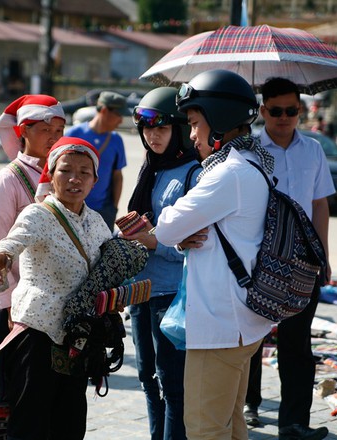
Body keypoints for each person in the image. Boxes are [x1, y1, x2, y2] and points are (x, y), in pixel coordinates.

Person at [155, 69, 276, 440]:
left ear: (219, 119)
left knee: (206, 430)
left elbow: (167, 227)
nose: (191, 135)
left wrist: (175, 229)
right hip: (240, 321)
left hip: (220, 325)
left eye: (194, 123)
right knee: (230, 425)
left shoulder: (230, 173)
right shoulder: (254, 163)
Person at [0, 137, 112, 439]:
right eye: (65, 171)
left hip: (78, 336)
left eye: (84, 172)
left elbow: (109, 265)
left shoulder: (96, 222)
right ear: (51, 176)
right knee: (30, 423)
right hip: (37, 335)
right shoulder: (38, 214)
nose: (74, 179)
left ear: (94, 181)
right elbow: (10, 244)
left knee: (70, 422)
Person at [245, 77, 334, 440]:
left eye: (291, 111)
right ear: (263, 111)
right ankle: (248, 402)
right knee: (249, 337)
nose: (284, 118)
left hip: (303, 263)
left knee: (296, 344)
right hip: (257, 259)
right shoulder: (248, 149)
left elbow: (319, 204)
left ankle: (294, 423)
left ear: (302, 110)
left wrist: (323, 254)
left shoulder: (312, 150)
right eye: (276, 111)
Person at [0, 94, 65, 439]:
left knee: (40, 393)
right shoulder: (8, 179)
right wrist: (10, 303)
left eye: (59, 129)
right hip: (14, 305)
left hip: (48, 303)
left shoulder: (61, 175)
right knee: (9, 391)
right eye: (46, 130)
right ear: (23, 131)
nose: (55, 136)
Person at [121, 87, 200, 440]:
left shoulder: (193, 175)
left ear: (180, 129)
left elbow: (196, 246)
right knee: (147, 379)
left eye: (162, 128)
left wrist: (153, 240)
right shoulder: (151, 168)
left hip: (171, 295)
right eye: (147, 128)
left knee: (172, 385)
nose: (152, 135)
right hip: (141, 292)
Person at [65, 91, 129, 228]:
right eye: (119, 115)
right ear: (105, 110)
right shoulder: (74, 134)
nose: (121, 120)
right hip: (71, 207)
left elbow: (117, 176)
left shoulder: (116, 140)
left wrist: (113, 209)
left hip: (102, 211)